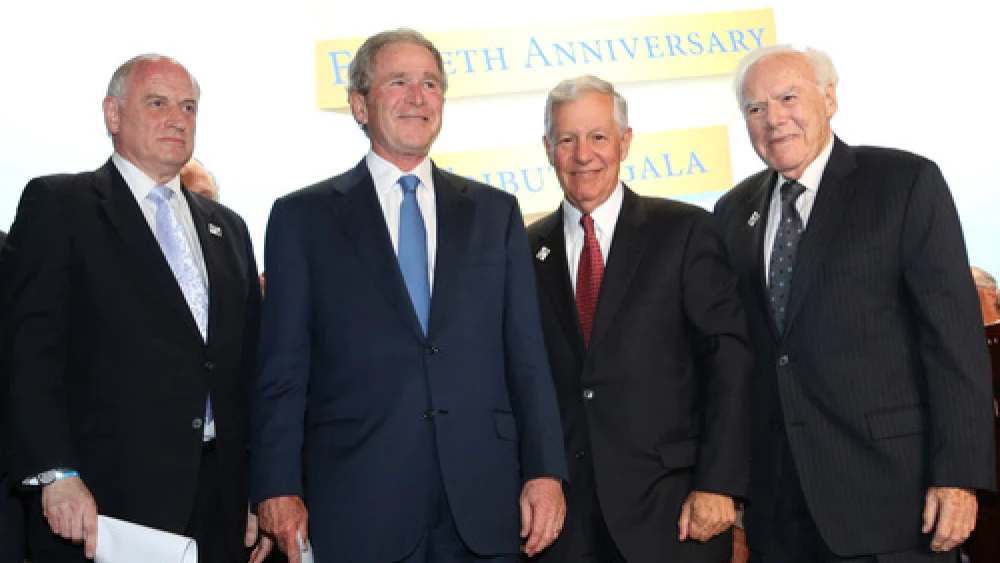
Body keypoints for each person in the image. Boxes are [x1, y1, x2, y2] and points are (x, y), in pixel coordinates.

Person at [251, 28, 568, 563]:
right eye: (398, 82)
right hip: (359, 502)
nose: (417, 97)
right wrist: (276, 487)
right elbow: (284, 369)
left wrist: (545, 471)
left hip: (483, 502)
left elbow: (527, 360)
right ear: (358, 104)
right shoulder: (301, 219)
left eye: (430, 83)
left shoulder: (496, 213)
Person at [713, 44, 995, 562]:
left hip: (896, 501)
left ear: (829, 98)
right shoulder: (733, 212)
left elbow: (952, 340)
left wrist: (958, 475)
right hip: (782, 511)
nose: (773, 119)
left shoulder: (904, 184)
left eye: (788, 97)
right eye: (755, 108)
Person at [0, 54, 262, 563]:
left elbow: (246, 370)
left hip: (219, 503)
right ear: (113, 115)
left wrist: (256, 485)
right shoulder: (61, 205)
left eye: (188, 107)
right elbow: (28, 352)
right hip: (102, 504)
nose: (177, 118)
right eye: (158, 103)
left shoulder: (228, 228)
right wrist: (55, 472)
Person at [527, 74, 752, 563]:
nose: (583, 154)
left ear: (624, 142)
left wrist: (720, 485)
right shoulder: (523, 252)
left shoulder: (685, 232)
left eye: (598, 137)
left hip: (675, 517)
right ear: (548, 149)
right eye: (567, 139)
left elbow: (728, 364)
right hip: (564, 527)